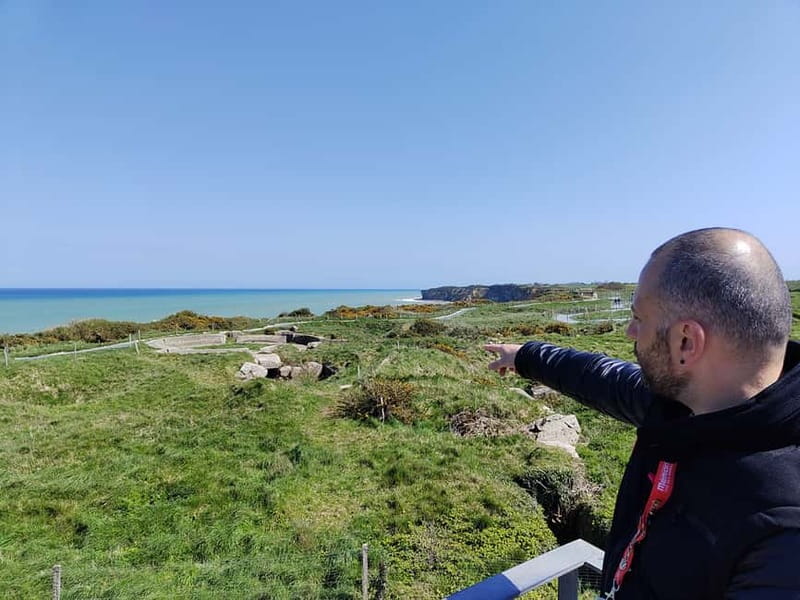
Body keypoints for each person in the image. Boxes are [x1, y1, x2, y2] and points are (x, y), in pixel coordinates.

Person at [485, 228, 800, 599]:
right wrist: (524, 355)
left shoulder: (783, 535)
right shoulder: (686, 404)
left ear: (686, 342)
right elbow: (599, 378)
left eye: (638, 318)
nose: (630, 332)